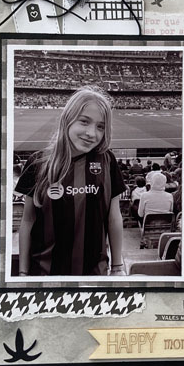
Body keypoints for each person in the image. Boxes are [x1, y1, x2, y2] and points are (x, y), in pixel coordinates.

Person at [15, 86, 126, 277]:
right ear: (67, 119)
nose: (91, 133)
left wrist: (117, 267)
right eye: (84, 121)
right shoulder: (38, 163)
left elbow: (114, 217)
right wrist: (23, 272)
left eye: (100, 126)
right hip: (44, 273)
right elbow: (28, 221)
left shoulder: (107, 161)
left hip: (94, 273)